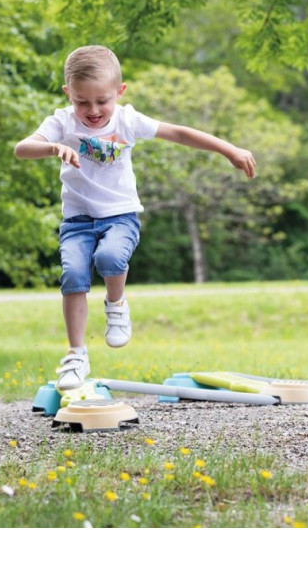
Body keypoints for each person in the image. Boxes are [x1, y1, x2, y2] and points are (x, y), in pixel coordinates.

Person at [14, 45, 256, 390]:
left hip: (120, 216)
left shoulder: (127, 120)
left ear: (120, 92)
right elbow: (22, 148)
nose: (93, 110)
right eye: (82, 102)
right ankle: (76, 354)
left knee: (110, 257)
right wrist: (53, 147)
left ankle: (116, 303)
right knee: (73, 275)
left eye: (102, 101)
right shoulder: (61, 122)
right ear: (69, 94)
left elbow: (179, 133)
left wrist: (228, 149)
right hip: (77, 221)